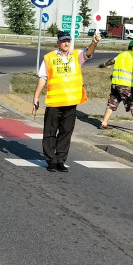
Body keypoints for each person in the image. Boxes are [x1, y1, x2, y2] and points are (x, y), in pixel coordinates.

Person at [32, 30, 100, 172]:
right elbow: (43, 77)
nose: (66, 43)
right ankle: (50, 160)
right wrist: (36, 97)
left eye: (68, 40)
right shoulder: (49, 58)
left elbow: (88, 52)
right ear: (58, 43)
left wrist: (95, 42)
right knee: (50, 132)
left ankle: (60, 160)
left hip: (70, 102)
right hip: (54, 102)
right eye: (63, 41)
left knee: (66, 132)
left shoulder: (76, 55)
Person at [98, 39, 133, 132]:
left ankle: (104, 123)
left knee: (112, 103)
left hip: (115, 84)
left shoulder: (121, 55)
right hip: (126, 85)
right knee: (132, 104)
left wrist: (103, 65)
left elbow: (111, 61)